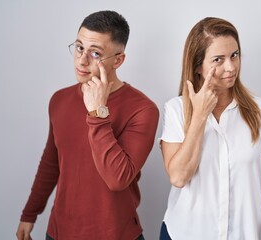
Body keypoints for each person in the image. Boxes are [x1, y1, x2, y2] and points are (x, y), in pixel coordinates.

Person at [16, 10, 159, 240]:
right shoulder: (59, 100)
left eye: (95, 53)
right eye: (79, 47)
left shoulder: (143, 110)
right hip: (60, 232)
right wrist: (29, 213)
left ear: (119, 59)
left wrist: (97, 113)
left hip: (116, 234)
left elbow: (118, 179)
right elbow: (51, 162)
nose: (81, 60)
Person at [159, 17, 261, 240]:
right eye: (218, 59)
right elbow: (179, 177)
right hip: (184, 234)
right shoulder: (176, 110)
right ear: (198, 66)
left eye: (234, 55)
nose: (230, 67)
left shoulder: (260, 111)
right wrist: (199, 115)